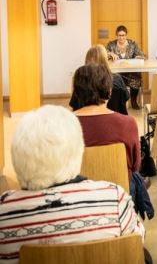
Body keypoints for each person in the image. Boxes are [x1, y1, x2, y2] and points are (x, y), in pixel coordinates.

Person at [0, 105, 145, 263]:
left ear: (17, 156)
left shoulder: (4, 215)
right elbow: (137, 244)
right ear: (77, 151)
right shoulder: (116, 199)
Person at [71, 63, 141, 180]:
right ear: (109, 91)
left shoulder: (62, 124)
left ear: (76, 92)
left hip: (77, 191)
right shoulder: (128, 123)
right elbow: (136, 166)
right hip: (119, 189)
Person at [69, 44, 130, 115]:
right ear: (106, 59)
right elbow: (126, 104)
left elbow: (75, 107)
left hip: (86, 122)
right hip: (115, 120)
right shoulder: (117, 79)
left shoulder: (82, 80)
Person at [106, 25, 146, 109]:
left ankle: (133, 101)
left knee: (137, 77)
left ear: (126, 35)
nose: (121, 38)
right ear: (116, 35)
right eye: (119, 35)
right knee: (114, 79)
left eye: (123, 35)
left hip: (131, 72)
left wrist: (139, 56)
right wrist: (110, 53)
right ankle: (121, 102)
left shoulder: (132, 44)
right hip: (117, 72)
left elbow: (142, 55)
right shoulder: (111, 45)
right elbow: (104, 54)